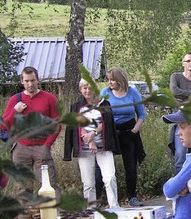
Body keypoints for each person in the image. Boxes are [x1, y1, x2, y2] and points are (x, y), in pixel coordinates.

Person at [1, 66, 61, 196]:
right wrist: (15, 111)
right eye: (27, 81)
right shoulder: (15, 100)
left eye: (33, 80)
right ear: (22, 81)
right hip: (21, 147)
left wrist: (47, 145)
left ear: (38, 80)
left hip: (42, 146)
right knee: (22, 186)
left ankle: (52, 214)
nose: (30, 84)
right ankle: (25, 215)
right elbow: (4, 126)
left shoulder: (49, 98)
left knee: (49, 182)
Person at [63, 79, 120, 208]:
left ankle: (115, 207)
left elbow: (107, 123)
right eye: (84, 88)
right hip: (85, 150)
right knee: (88, 183)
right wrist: (89, 142)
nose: (87, 91)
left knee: (109, 178)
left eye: (90, 88)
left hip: (104, 148)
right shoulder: (76, 106)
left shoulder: (104, 103)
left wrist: (93, 134)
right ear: (80, 90)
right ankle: (91, 210)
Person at [100, 67, 146, 206]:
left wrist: (134, 130)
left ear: (120, 80)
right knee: (107, 166)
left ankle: (132, 196)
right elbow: (100, 114)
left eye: (112, 79)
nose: (109, 82)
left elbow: (142, 114)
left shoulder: (133, 93)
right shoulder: (105, 93)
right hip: (111, 131)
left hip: (129, 131)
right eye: (108, 80)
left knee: (131, 165)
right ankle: (106, 198)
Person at [169, 53, 191, 173]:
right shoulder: (176, 77)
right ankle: (180, 187)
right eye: (188, 61)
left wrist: (184, 97)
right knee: (180, 155)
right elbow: (174, 91)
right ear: (183, 63)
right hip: (180, 122)